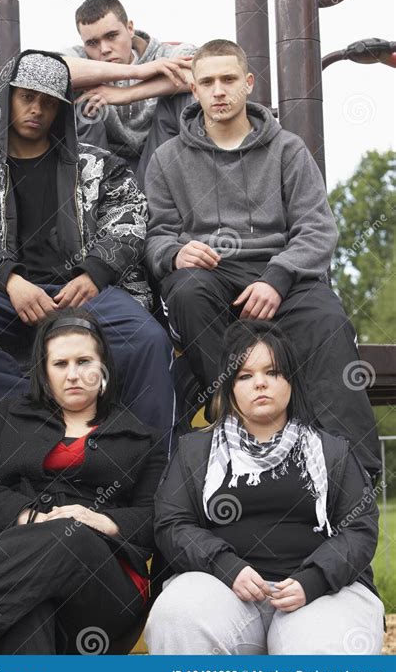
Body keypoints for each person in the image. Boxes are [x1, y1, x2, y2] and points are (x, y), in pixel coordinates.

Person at [144, 38, 380, 478]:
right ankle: (241, 420)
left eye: (228, 79)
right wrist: (176, 252)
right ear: (193, 90)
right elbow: (155, 235)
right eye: (208, 81)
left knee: (328, 322)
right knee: (186, 290)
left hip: (286, 272)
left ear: (248, 83)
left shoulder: (288, 149)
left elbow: (317, 228)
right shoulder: (167, 159)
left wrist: (277, 277)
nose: (219, 90)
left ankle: (355, 473)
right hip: (213, 273)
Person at [0, 49, 175, 449]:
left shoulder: (100, 166)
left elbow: (129, 220)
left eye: (48, 103)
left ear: (61, 111)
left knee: (149, 340)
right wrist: (8, 280)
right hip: (9, 299)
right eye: (27, 97)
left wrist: (94, 273)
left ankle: (154, 465)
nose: (37, 109)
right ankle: (28, 413)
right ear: (6, 99)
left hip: (88, 294)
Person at [0, 308, 167, 655]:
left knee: (69, 536)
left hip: (101, 590)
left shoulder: (143, 438)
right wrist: (31, 516)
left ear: (103, 369)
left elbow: (157, 517)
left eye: (84, 362)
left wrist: (101, 520)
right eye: (60, 364)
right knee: (27, 606)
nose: (73, 375)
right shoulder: (3, 414)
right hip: (11, 576)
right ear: (45, 372)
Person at [144, 320, 384, 655]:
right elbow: (172, 524)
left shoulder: (332, 451)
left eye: (272, 372)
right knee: (180, 618)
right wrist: (227, 568)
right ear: (229, 388)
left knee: (324, 650)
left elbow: (360, 529)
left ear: (291, 381)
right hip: (222, 591)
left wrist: (311, 581)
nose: (260, 383)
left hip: (322, 593)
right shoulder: (194, 452)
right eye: (244, 375)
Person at [62, 0, 195, 186]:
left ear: (130, 28)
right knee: (82, 104)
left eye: (111, 36)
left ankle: (162, 200)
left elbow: (205, 73)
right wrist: (136, 72)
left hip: (158, 156)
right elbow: (47, 68)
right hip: (106, 163)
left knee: (185, 97)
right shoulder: (82, 59)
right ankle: (98, 198)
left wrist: (126, 94)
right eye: (92, 43)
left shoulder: (162, 54)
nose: (104, 49)